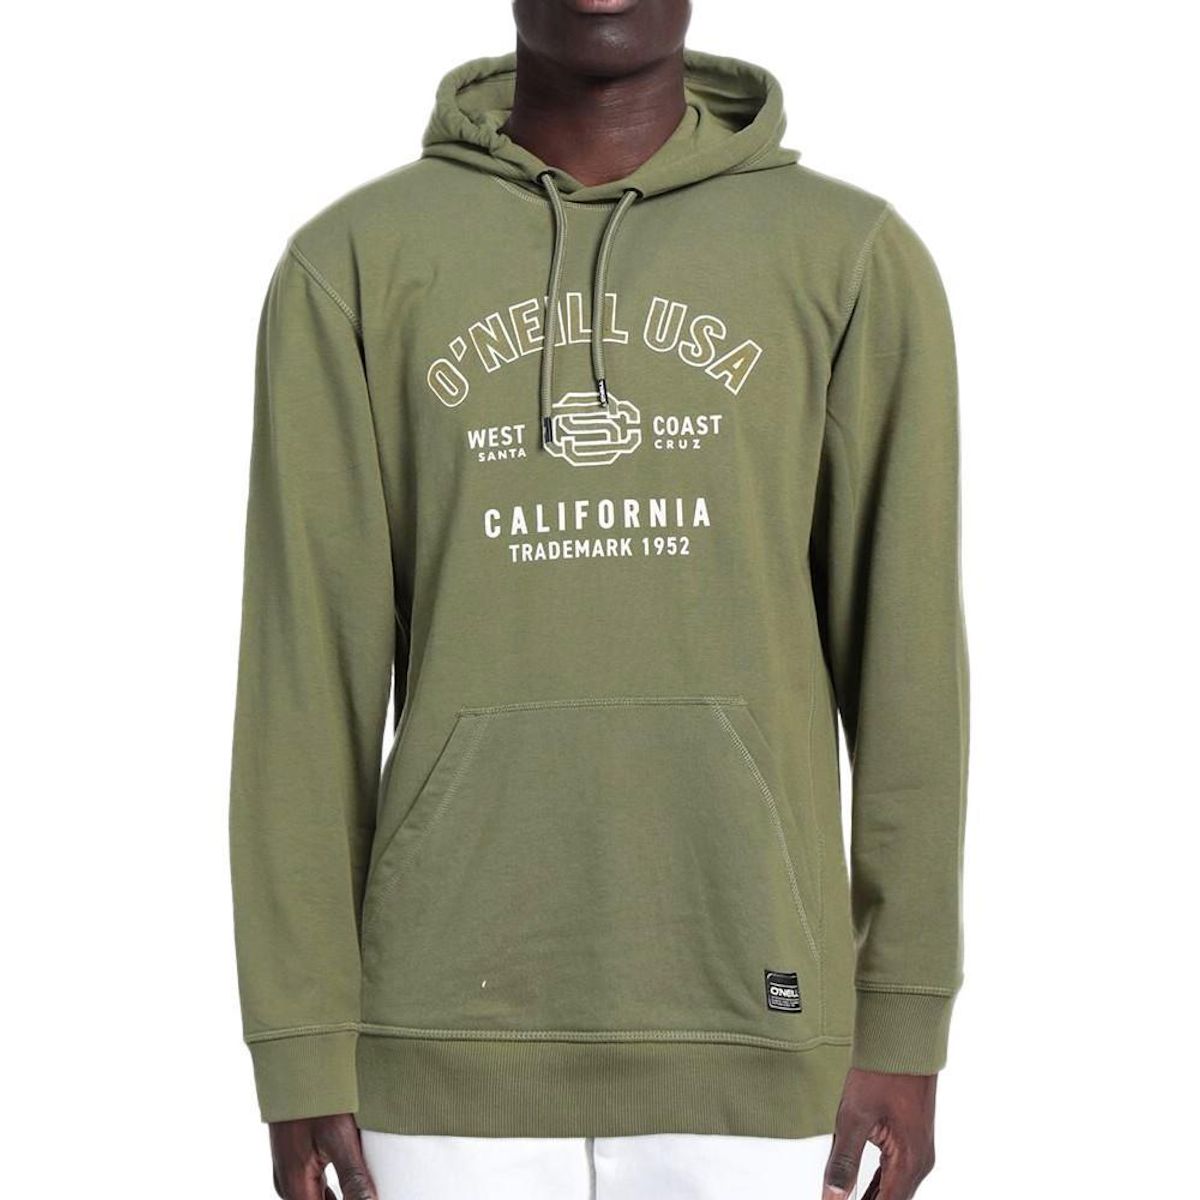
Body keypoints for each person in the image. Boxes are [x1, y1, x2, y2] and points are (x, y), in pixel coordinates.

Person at [228, 1, 969, 1197]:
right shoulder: (354, 263)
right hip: (431, 1052)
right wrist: (299, 1041)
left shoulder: (849, 257)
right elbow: (300, 686)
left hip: (763, 1031)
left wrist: (906, 1020)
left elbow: (911, 675)